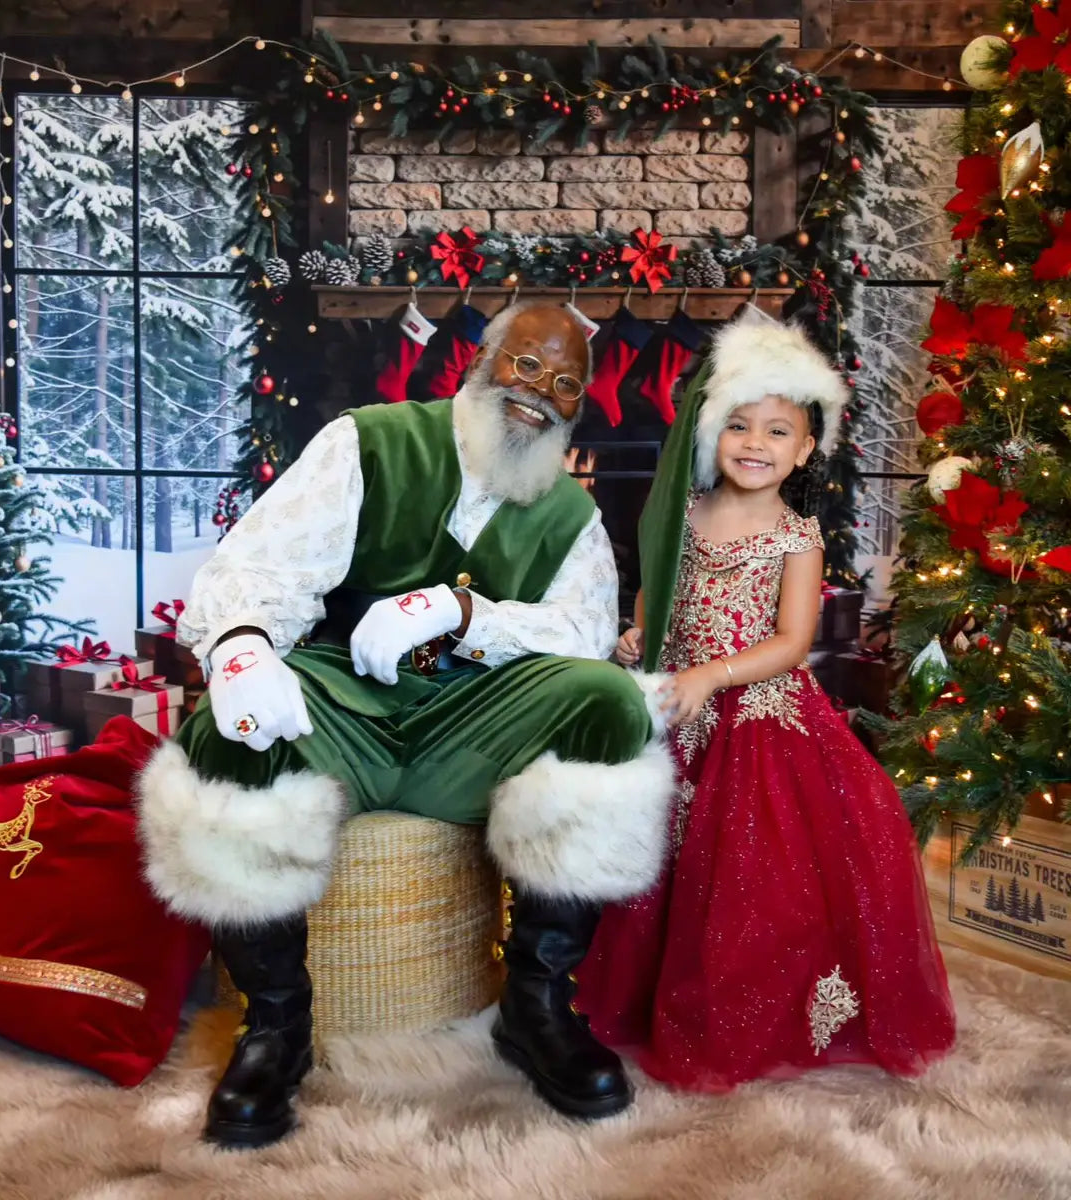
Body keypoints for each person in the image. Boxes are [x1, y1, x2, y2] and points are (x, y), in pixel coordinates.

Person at [136, 302, 675, 1147]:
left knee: (610, 703)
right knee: (221, 735)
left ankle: (536, 1006)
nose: (541, 393)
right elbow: (261, 564)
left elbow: (584, 633)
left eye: (567, 384)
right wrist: (241, 650)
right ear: (482, 362)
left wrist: (460, 613)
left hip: (473, 728)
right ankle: (277, 1029)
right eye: (526, 365)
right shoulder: (369, 440)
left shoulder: (571, 516)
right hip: (344, 704)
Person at [575, 308, 957, 1092]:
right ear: (712, 435)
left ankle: (756, 1012)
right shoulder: (679, 516)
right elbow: (658, 601)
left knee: (755, 880)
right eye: (739, 426)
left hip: (759, 722)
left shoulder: (796, 536)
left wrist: (712, 675)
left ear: (806, 449)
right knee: (665, 870)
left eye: (778, 432)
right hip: (676, 711)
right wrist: (635, 639)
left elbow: (791, 644)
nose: (756, 444)